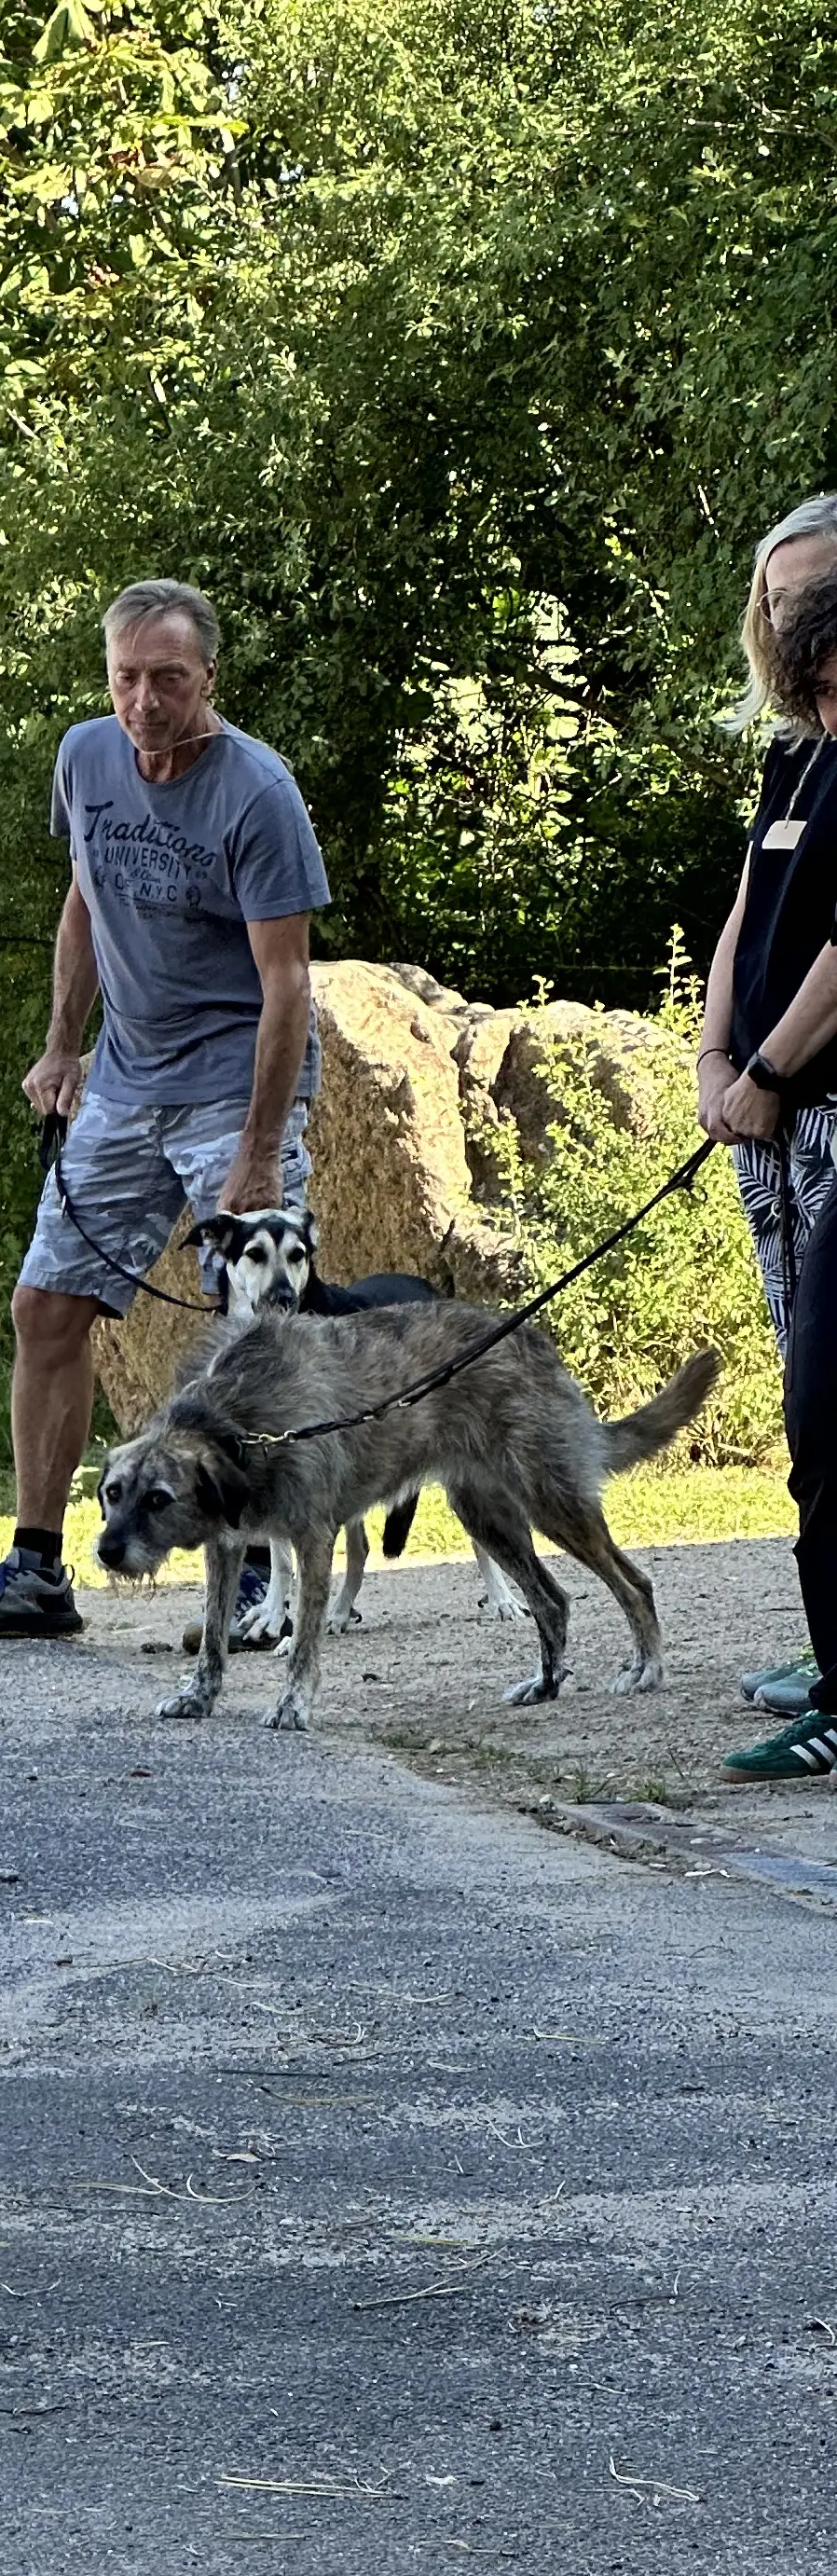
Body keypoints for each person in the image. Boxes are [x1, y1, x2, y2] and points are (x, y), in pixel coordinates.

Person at [0, 578, 330, 1641]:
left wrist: (257, 1154)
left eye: (169, 681)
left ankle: (254, 1580)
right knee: (45, 1306)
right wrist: (64, 1044)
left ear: (210, 681)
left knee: (253, 1333)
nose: (144, 702)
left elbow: (287, 987)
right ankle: (37, 1570)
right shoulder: (86, 756)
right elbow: (85, 894)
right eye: (127, 678)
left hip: (235, 1082)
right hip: (126, 1077)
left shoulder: (257, 794)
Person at [696, 496, 837, 1780]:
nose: (791, 620)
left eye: (815, 597)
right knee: (805, 1381)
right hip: (758, 1118)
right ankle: (826, 1645)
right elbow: (748, 911)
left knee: (832, 1391)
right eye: (778, 598)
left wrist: (776, 1068)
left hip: (822, 1105)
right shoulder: (790, 755)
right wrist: (713, 1054)